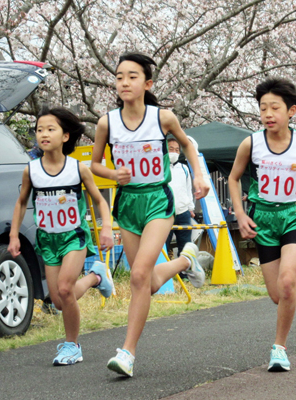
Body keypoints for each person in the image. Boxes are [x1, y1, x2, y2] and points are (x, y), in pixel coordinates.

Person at [90, 52, 211, 377]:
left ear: (147, 83)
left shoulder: (163, 118)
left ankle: (127, 352)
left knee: (140, 275)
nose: (124, 82)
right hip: (128, 204)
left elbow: (187, 145)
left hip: (158, 200)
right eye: (119, 77)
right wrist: (113, 175)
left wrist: (198, 176)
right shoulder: (107, 122)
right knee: (147, 282)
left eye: (131, 76)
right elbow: (95, 163)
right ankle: (186, 261)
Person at [228, 77, 296, 372]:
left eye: (275, 108)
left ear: (292, 110)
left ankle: (279, 348)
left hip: (294, 216)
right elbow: (233, 179)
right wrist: (241, 215)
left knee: (287, 283)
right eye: (263, 108)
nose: (268, 114)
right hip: (264, 220)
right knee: (276, 295)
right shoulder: (251, 143)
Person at [8, 107, 115, 366]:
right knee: (57, 301)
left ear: (65, 136)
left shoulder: (78, 169)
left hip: (73, 237)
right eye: (39, 130)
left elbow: (100, 201)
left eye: (50, 129)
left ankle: (72, 346)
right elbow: (21, 203)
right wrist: (14, 236)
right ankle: (96, 276)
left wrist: (107, 227)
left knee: (65, 289)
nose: (43, 134)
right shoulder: (31, 170)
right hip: (48, 239)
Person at [165, 137, 196, 266]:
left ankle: (185, 273)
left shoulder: (184, 168)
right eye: (171, 148)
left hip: (183, 212)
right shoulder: (160, 167)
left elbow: (188, 189)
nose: (174, 152)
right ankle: (164, 272)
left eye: (177, 150)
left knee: (185, 245)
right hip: (165, 212)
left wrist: (191, 208)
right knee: (163, 244)